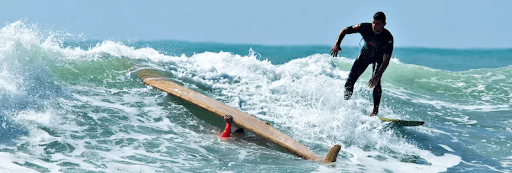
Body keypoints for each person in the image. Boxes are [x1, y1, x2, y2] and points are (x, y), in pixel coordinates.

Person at [329, 11, 394, 117]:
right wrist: (337, 44)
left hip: (379, 60)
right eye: (373, 23)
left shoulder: (388, 38)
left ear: (384, 24)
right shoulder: (364, 27)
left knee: (377, 83)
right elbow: (345, 30)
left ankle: (375, 112)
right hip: (364, 57)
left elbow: (386, 60)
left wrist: (377, 75)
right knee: (350, 81)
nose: (374, 26)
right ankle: (345, 104)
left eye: (377, 24)